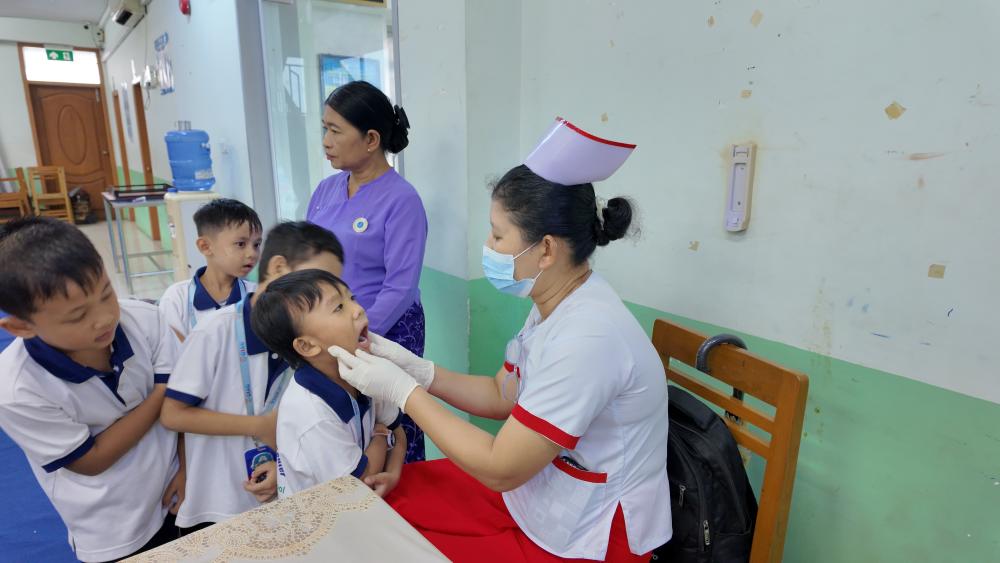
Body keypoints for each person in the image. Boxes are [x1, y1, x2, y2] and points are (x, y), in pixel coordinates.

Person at [330, 119, 671, 562]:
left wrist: (404, 392)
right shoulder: (554, 304)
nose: (487, 246)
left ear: (546, 250)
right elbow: (501, 394)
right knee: (397, 501)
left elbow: (500, 468)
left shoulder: (589, 336)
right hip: (540, 495)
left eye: (497, 234)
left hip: (589, 533)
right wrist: (420, 370)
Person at [0, 218, 182, 562]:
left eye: (106, 294)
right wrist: (162, 394)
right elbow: (90, 460)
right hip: (113, 527)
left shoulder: (144, 319)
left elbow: (186, 405)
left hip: (179, 491)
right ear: (21, 327)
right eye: (77, 315)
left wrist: (188, 470)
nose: (104, 319)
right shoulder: (15, 389)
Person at [160, 221, 343, 532]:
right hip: (217, 506)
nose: (328, 297)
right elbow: (173, 414)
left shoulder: (310, 340)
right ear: (279, 267)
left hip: (281, 497)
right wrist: (258, 426)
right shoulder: (215, 331)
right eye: (317, 284)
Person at [307, 80, 429, 462]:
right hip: (333, 329)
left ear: (372, 139)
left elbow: (401, 287)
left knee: (391, 424)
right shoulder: (326, 190)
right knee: (344, 428)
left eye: (335, 130)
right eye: (324, 128)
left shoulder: (402, 200)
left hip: (384, 330)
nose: (326, 140)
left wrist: (357, 334)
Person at [251, 269, 407, 498]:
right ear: (307, 346)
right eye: (339, 307)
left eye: (351, 298)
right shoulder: (311, 413)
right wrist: (381, 438)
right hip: (326, 525)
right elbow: (361, 485)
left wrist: (393, 473)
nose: (359, 309)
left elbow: (399, 432)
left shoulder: (364, 370)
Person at [158, 199, 262, 341]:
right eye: (241, 244)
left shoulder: (255, 295)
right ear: (205, 246)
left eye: (256, 244)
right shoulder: (176, 299)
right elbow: (171, 353)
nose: (252, 253)